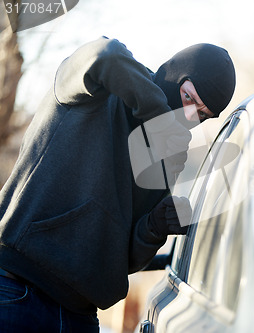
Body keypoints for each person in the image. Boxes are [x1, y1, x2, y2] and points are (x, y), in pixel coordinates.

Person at [0, 36, 236, 332]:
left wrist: (153, 228)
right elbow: (105, 54)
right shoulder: (97, 89)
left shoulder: (167, 155)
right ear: (175, 74)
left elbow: (124, 260)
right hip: (15, 292)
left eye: (203, 115)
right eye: (189, 98)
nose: (190, 117)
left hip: (79, 315)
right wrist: (158, 116)